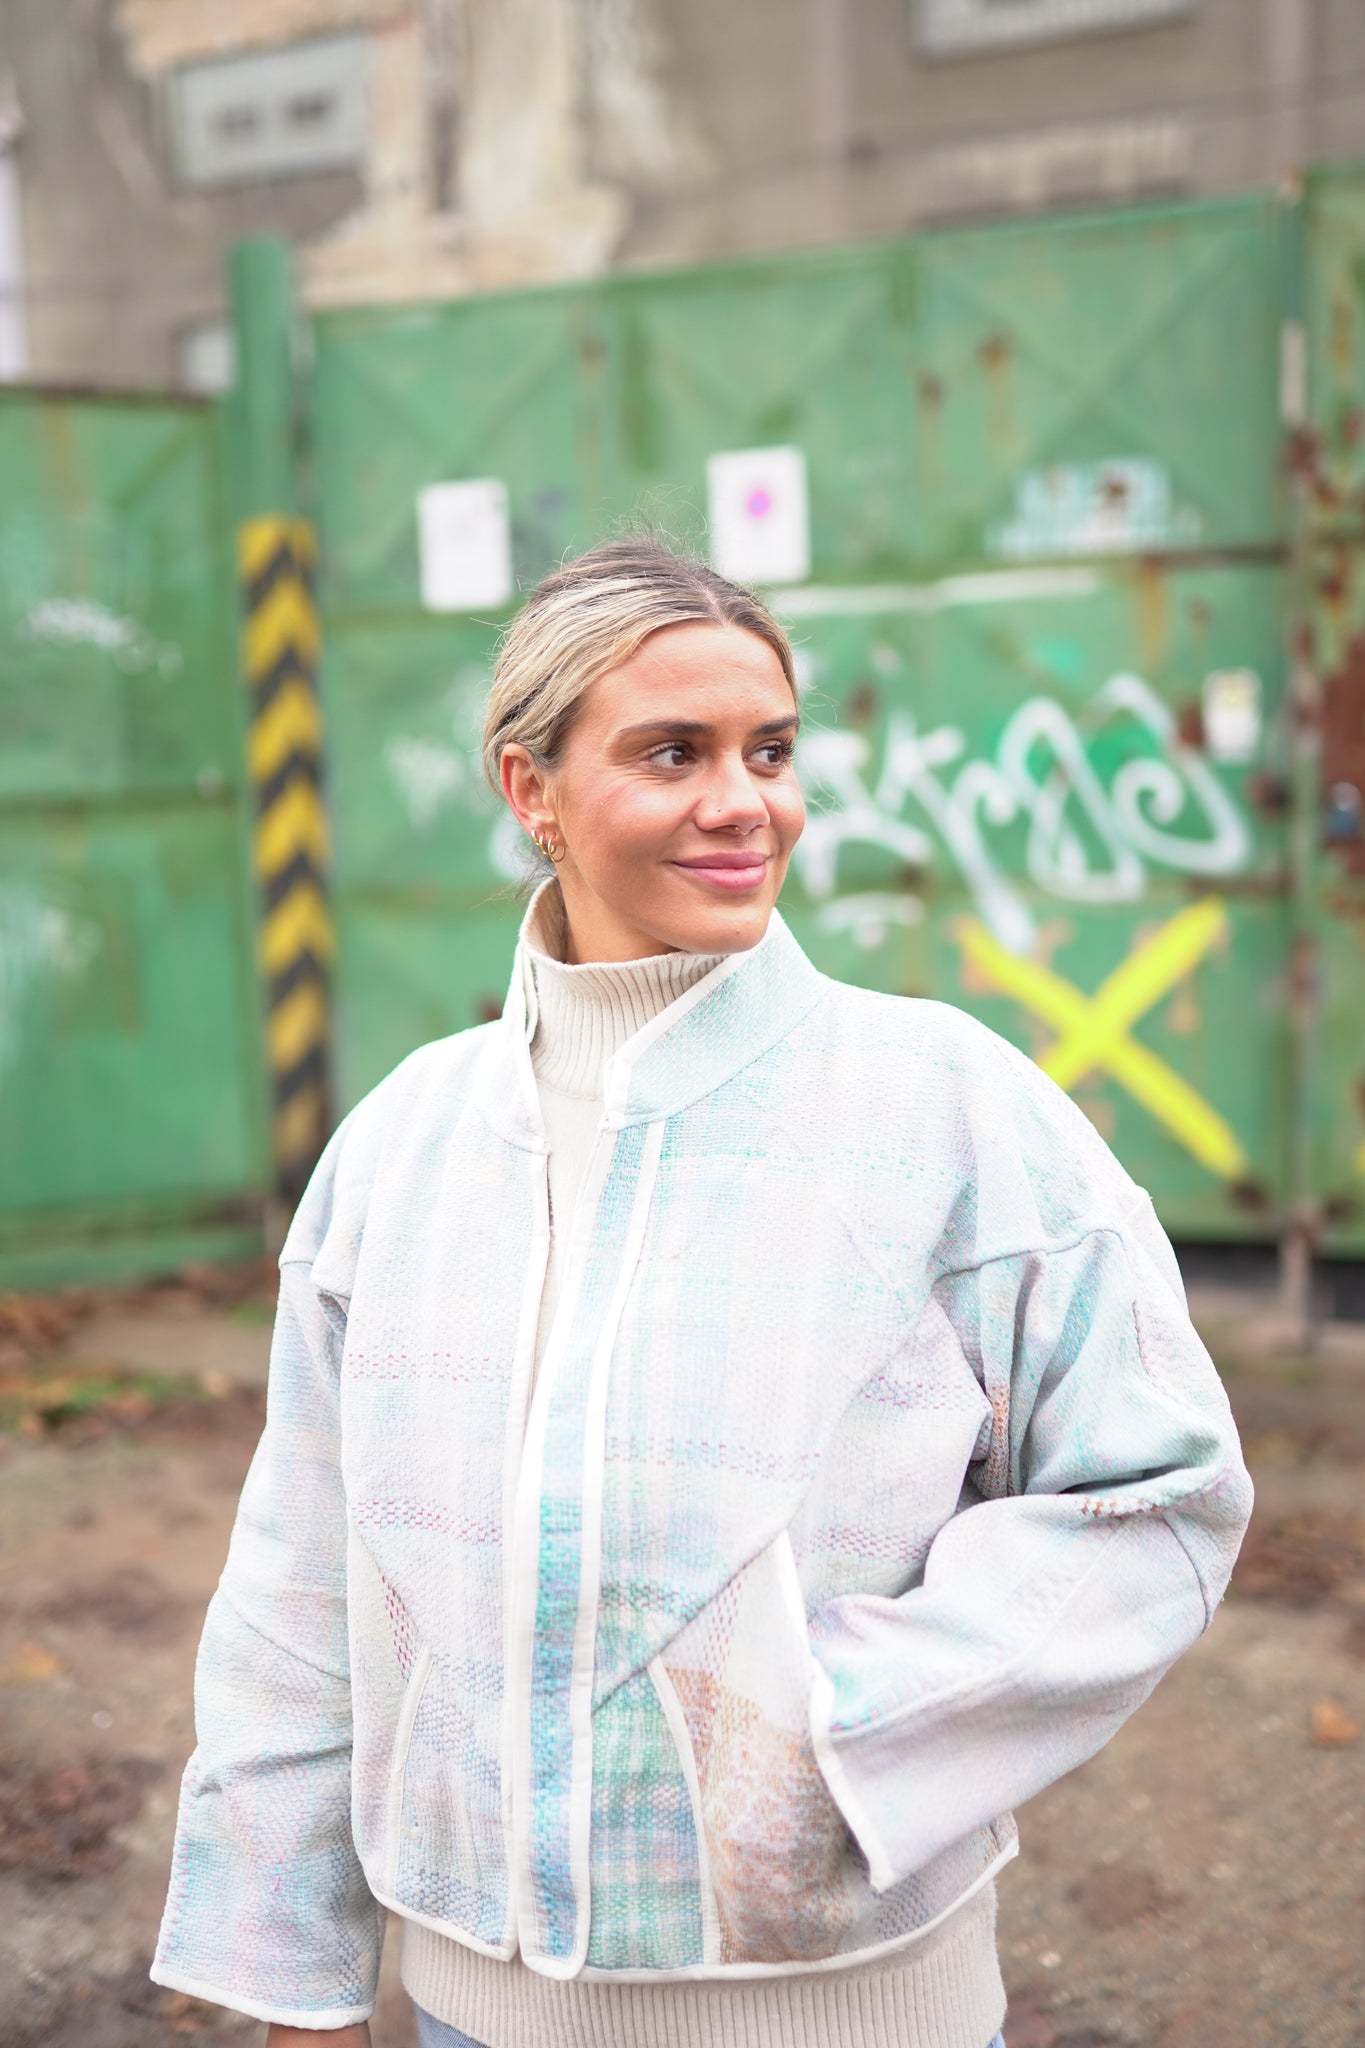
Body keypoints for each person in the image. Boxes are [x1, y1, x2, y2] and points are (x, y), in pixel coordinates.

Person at [152, 536, 1252, 2048]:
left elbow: (1161, 1494)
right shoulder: (404, 1147)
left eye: (770, 751)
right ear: (530, 790)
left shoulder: (945, 1108)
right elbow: (302, 1587)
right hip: (472, 2013)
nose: (745, 803)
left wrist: (822, 1736)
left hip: (857, 2016)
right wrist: (296, 1978)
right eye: (673, 752)